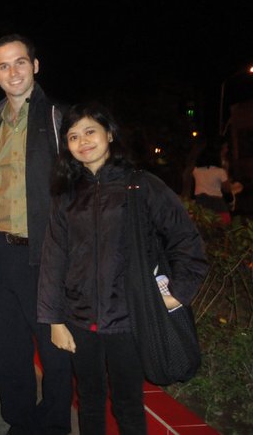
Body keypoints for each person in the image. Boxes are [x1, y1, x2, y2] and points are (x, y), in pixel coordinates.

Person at [38, 103, 207, 435]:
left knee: (127, 403)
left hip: (129, 317)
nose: (83, 141)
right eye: (73, 136)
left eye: (90, 131)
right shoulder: (67, 195)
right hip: (80, 318)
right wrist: (54, 320)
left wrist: (178, 293)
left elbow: (186, 239)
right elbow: (54, 258)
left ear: (110, 134)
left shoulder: (141, 186)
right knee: (88, 399)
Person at [0, 34, 72, 434]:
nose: (13, 71)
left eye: (20, 62)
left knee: (53, 345)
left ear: (35, 65)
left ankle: (53, 423)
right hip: (1, 250)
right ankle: (20, 420)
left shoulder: (60, 118)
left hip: (46, 249)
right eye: (3, 65)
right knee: (5, 342)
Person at [192, 140, 235, 223]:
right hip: (217, 203)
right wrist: (226, 170)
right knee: (223, 225)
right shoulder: (219, 171)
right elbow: (227, 189)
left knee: (203, 226)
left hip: (201, 203)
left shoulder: (195, 171)